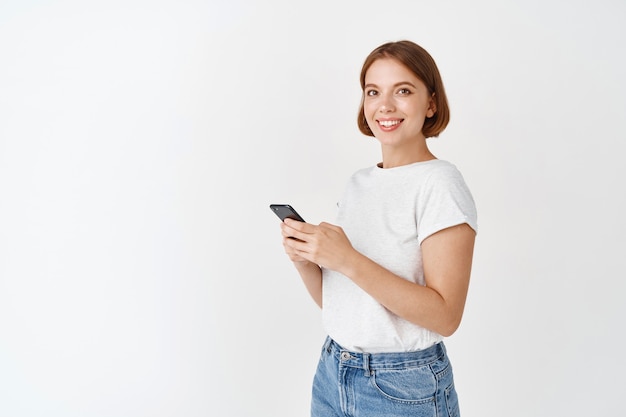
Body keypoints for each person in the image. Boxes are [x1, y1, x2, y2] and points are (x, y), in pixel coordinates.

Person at [279, 40, 477, 417]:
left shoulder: (440, 183)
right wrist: (307, 260)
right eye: (373, 92)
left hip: (402, 387)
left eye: (403, 91)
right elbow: (347, 305)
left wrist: (348, 259)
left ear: (431, 103)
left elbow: (446, 316)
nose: (384, 106)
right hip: (332, 371)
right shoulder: (358, 183)